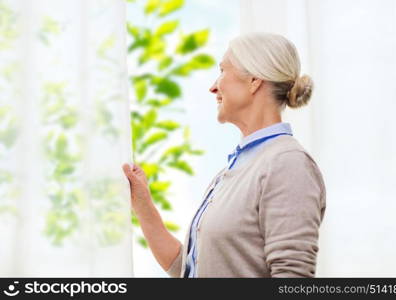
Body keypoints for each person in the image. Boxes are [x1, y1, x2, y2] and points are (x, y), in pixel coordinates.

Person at [122, 32, 326, 278]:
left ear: (253, 80)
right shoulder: (236, 169)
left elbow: (292, 276)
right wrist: (143, 205)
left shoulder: (287, 163)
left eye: (222, 71)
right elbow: (189, 271)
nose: (213, 86)